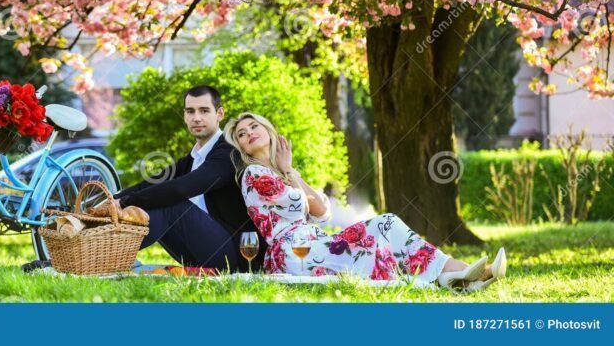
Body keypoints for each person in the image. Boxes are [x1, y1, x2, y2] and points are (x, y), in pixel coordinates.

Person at [223, 112, 508, 292]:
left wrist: (291, 171)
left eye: (253, 126)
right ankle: (462, 276)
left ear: (268, 130)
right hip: (293, 251)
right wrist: (289, 173)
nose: (249, 133)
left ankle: (461, 272)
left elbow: (322, 213)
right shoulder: (252, 174)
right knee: (373, 249)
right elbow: (299, 203)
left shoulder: (284, 170)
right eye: (242, 135)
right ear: (241, 147)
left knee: (386, 223)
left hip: (315, 240)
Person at [112, 86, 265, 272]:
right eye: (190, 111)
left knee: (171, 204)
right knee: (159, 195)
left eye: (204, 111)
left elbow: (181, 189)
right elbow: (152, 182)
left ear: (220, 114)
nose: (196, 118)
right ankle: (98, 249)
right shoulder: (193, 158)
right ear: (184, 116)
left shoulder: (228, 152)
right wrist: (111, 199)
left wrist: (126, 202)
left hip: (236, 258)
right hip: (202, 251)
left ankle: (107, 255)